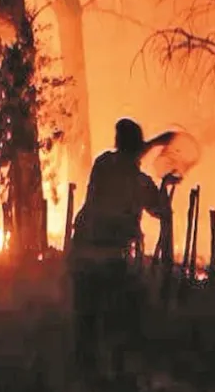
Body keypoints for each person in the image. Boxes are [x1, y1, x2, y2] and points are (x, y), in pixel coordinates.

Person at [69, 118, 178, 378]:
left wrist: (157, 141)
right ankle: (117, 375)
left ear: (118, 143)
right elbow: (162, 211)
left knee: (87, 318)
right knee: (120, 319)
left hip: (83, 252)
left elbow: (129, 154)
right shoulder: (140, 183)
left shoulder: (103, 164)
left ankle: (87, 376)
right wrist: (164, 184)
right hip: (111, 260)